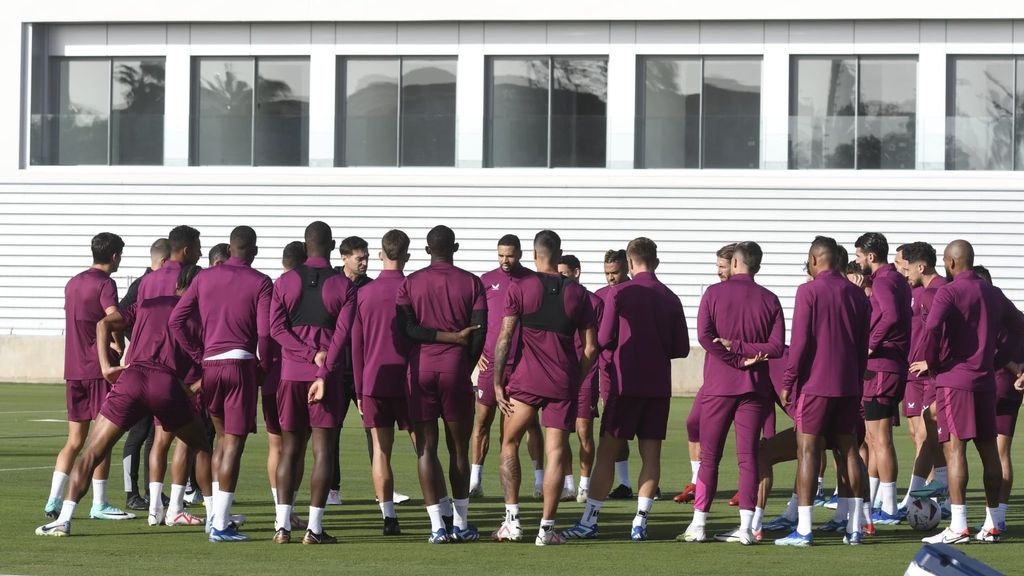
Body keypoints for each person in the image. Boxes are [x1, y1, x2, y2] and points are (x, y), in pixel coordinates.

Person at [36, 264, 213, 538]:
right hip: (164, 383)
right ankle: (215, 517)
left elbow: (104, 322)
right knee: (200, 445)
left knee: (92, 451)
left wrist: (106, 366)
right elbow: (210, 362)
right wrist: (192, 389)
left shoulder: (148, 303)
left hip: (131, 378)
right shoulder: (198, 313)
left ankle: (64, 519)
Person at [564, 237, 689, 541]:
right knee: (651, 455)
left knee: (607, 452)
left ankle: (590, 520)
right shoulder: (671, 297)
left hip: (625, 383)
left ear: (630, 263)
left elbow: (604, 338)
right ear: (655, 261)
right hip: (657, 386)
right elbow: (682, 348)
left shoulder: (619, 294)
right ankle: (640, 522)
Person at [492, 232, 597, 545]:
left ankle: (512, 522)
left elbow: (505, 337)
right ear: (559, 253)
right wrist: (575, 380)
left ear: (533, 255)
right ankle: (546, 530)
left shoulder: (519, 287)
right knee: (555, 453)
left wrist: (498, 381)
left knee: (509, 441)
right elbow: (590, 348)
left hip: (526, 381)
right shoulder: (579, 294)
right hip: (562, 382)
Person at [169, 225, 273, 542]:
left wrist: (199, 354)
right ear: (253, 250)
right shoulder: (261, 282)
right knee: (233, 445)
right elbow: (266, 334)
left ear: (228, 249)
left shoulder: (203, 277)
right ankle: (220, 523)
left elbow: (176, 321)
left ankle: (215, 514)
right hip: (240, 364)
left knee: (219, 439)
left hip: (211, 367)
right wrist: (264, 366)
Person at [921, 240, 1024, 544]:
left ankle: (959, 525)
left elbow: (932, 328)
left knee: (955, 450)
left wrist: (932, 362)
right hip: (985, 381)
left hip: (956, 381)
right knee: (989, 450)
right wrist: (996, 358)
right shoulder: (992, 292)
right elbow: (1020, 324)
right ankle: (992, 524)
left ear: (951, 263)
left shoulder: (949, 291)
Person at [681, 241, 784, 545]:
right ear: (757, 265)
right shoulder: (770, 299)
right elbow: (776, 347)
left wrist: (733, 354)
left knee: (710, 456)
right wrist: (745, 355)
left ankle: (698, 524)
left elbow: (704, 337)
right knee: (748, 457)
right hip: (753, 387)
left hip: (719, 385)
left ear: (735, 263)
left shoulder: (713, 293)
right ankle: (747, 528)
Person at [775, 236, 871, 547]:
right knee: (850, 452)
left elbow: (801, 343)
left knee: (808, 452)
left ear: (815, 260)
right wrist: (857, 382)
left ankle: (804, 529)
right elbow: (861, 347)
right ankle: (855, 527)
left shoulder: (808, 291)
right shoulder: (858, 295)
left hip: (816, 385)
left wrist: (788, 381)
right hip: (847, 385)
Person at [396, 225, 487, 543]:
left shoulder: (411, 282)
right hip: (454, 368)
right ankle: (461, 524)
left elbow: (406, 329)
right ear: (456, 247)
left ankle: (437, 526)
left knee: (426, 449)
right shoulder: (472, 282)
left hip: (420, 369)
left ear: (426, 250)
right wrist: (466, 365)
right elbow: (480, 333)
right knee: (459, 448)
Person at [268, 221, 356, 545]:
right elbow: (342, 336)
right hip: (327, 379)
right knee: (323, 452)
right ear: (332, 247)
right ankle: (314, 529)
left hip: (290, 375)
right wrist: (321, 366)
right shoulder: (344, 286)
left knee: (289, 451)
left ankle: (282, 527)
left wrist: (305, 353)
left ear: (305, 247)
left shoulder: (284, 281)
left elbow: (276, 330)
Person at [44, 232, 134, 522]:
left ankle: (53, 499)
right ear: (115, 256)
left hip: (73, 369)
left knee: (73, 441)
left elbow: (80, 321)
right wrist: (117, 340)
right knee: (101, 440)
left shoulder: (73, 282)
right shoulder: (105, 284)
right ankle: (100, 502)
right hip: (97, 369)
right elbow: (111, 317)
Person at [471, 235, 546, 499]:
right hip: (491, 364)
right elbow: (476, 319)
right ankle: (475, 481)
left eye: (510, 255)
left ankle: (540, 482)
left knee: (527, 425)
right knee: (482, 422)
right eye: (501, 254)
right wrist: (477, 349)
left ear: (521, 254)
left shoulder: (532, 281)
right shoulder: (484, 281)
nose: (505, 260)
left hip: (523, 366)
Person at [352, 230, 416, 536]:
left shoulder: (364, 293)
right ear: (406, 255)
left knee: (380, 450)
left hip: (374, 379)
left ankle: (389, 517)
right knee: (425, 449)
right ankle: (440, 513)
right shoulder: (414, 289)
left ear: (381, 253)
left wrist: (358, 390)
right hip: (410, 380)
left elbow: (356, 346)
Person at [854, 232, 912, 525]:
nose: (856, 261)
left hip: (882, 367)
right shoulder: (893, 280)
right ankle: (878, 500)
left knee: (880, 439)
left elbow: (888, 316)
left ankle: (888, 507)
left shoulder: (886, 280)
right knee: (873, 438)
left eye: (858, 256)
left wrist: (870, 343)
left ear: (870, 256)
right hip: (887, 366)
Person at [676, 243, 735, 505]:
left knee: (751, 434)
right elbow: (706, 335)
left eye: (722, 266)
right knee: (693, 422)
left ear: (736, 265)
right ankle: (696, 478)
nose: (719, 272)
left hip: (745, 372)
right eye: (718, 266)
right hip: (716, 374)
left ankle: (750, 485)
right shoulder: (713, 293)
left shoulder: (751, 295)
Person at [120, 238, 170, 512]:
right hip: (142, 368)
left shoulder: (163, 283)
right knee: (138, 432)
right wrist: (137, 342)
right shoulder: (143, 284)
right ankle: (131, 493)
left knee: (155, 434)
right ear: (163, 261)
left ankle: (154, 491)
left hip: (160, 369)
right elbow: (119, 316)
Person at [263, 241, 309, 532]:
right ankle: (287, 510)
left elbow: (265, 332)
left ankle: (280, 512)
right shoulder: (304, 289)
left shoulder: (272, 288)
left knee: (276, 445)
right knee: (298, 447)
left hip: (271, 377)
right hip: (296, 373)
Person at [900, 242, 949, 510]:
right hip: (923, 372)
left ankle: (944, 492)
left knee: (940, 435)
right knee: (928, 431)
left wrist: (931, 361)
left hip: (935, 374)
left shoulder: (939, 291)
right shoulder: (920, 291)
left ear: (921, 266)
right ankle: (925, 494)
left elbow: (940, 334)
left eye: (906, 267)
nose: (904, 273)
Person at [975, 266, 1023, 532]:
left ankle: (951, 506)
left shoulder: (984, 312)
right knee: (1002, 454)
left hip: (986, 386)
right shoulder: (1013, 311)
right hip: (1011, 391)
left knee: (954, 447)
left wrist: (1015, 369)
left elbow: (989, 345)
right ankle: (999, 518)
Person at [557, 254, 604, 502]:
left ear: (577, 272)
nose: (561, 277)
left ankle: (586, 484)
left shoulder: (594, 302)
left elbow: (599, 343)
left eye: (564, 273)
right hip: (560, 373)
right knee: (560, 432)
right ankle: (568, 484)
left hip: (586, 373)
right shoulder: (555, 299)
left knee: (584, 430)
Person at [597, 249, 634, 500]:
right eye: (607, 273)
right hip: (608, 371)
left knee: (642, 430)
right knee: (613, 428)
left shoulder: (637, 293)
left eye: (616, 272)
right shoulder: (600, 296)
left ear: (627, 269)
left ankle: (649, 485)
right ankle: (625, 483)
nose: (611, 278)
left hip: (634, 369)